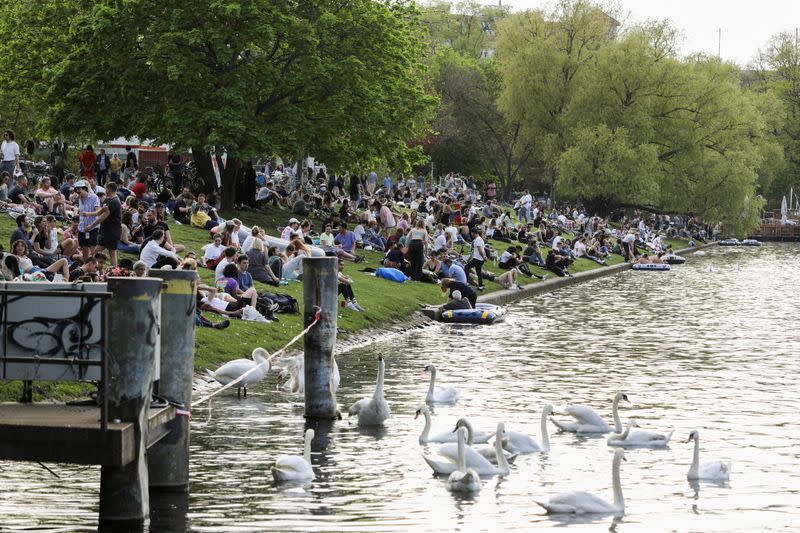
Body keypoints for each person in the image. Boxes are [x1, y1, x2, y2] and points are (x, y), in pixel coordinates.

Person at [83, 181, 122, 267]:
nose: (105, 190)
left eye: (106, 188)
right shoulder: (108, 200)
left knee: (112, 252)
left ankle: (114, 272)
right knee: (96, 250)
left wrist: (91, 226)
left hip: (112, 232)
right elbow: (99, 212)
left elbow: (103, 216)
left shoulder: (115, 201)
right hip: (105, 231)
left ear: (108, 189)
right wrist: (88, 214)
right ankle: (87, 266)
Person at [75, 180, 100, 259]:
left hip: (92, 227)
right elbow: (80, 211)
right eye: (77, 190)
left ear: (84, 189)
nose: (78, 192)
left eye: (79, 190)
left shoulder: (94, 197)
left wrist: (88, 213)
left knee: (93, 250)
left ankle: (95, 266)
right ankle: (85, 266)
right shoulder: (79, 198)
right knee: (84, 250)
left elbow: (98, 212)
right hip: (82, 227)